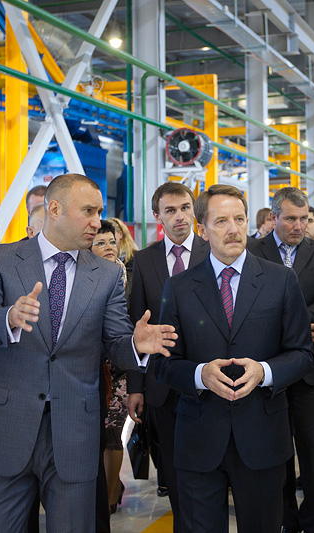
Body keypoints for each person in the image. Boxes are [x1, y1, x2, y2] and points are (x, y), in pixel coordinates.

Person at [0, 173, 176, 533]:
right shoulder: (0, 259)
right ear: (55, 209)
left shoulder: (106, 275)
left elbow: (116, 342)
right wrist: (8, 318)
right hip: (7, 426)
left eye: (99, 212)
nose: (97, 222)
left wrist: (136, 346)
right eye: (88, 211)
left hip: (75, 429)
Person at [154, 184, 314, 533]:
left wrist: (265, 371)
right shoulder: (179, 288)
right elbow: (162, 364)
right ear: (202, 229)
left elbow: (303, 353)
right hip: (199, 439)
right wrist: (199, 375)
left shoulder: (280, 280)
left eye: (239, 219)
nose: (233, 229)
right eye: (221, 221)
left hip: (262, 436)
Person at [246, 187, 314, 533]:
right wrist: (299, 324)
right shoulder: (253, 251)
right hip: (269, 369)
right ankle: (286, 518)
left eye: (304, 219)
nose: (299, 226)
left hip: (311, 369)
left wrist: (285, 322)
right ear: (274, 218)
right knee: (277, 448)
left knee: (312, 447)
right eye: (291, 219)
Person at [126, 181, 209, 531]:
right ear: (157, 215)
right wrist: (136, 386)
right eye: (170, 210)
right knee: (173, 468)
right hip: (161, 382)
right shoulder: (144, 261)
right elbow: (136, 325)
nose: (180, 217)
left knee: (208, 466)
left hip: (208, 378)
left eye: (185, 208)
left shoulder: (213, 251)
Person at [89, 221, 129, 514]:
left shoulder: (130, 278)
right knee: (95, 436)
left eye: (111, 242)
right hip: (92, 366)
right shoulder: (86, 278)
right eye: (100, 243)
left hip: (120, 370)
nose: (108, 248)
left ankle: (110, 496)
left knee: (113, 434)